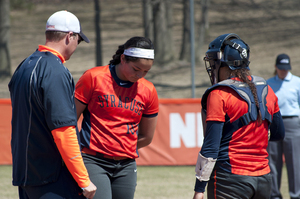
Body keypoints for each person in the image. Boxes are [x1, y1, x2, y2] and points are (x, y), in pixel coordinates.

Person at [8, 10, 96, 199]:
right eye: (78, 40)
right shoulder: (55, 70)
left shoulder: (24, 66)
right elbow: (63, 131)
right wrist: (84, 180)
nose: (76, 46)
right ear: (69, 36)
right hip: (52, 178)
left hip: (26, 174)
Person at [192, 33, 285, 199]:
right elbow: (278, 134)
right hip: (263, 178)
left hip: (230, 178)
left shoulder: (220, 94)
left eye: (215, 63)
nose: (212, 68)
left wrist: (199, 188)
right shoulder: (267, 90)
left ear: (226, 65)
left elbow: (211, 146)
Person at [74, 36, 159, 199]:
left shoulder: (148, 90)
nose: (140, 74)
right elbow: (70, 121)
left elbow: (147, 137)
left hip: (126, 165)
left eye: (146, 71)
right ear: (123, 58)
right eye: (136, 69)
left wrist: (120, 146)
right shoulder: (94, 77)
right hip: (93, 160)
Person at [267, 53, 300, 199]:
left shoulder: (297, 82)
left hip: (292, 122)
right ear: (276, 67)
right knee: (273, 160)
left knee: (294, 160)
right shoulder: (268, 83)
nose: (283, 71)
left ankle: (296, 194)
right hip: (274, 122)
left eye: (286, 68)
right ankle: (274, 194)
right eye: (281, 68)